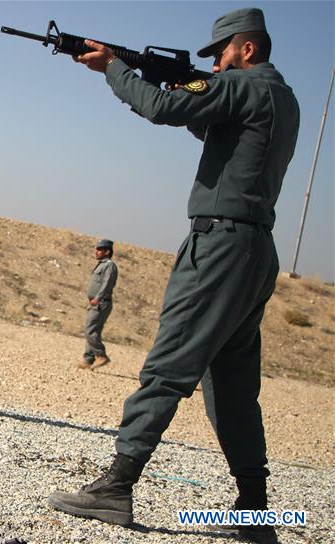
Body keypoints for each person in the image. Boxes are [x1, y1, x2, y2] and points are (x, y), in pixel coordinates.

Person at [46, 9, 300, 544]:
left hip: (219, 244)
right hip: (256, 249)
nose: (218, 65)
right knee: (232, 386)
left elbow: (161, 108)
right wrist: (172, 84)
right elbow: (209, 123)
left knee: (168, 364)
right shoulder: (282, 97)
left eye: (223, 54)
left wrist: (115, 69)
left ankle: (117, 486)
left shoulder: (240, 85)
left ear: (247, 49)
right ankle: (255, 513)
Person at [80, 239, 117, 370]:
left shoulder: (109, 266)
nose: (96, 252)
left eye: (100, 249)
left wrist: (98, 298)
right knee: (94, 331)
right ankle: (88, 359)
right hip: (96, 303)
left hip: (101, 303)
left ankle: (101, 355)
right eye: (96, 249)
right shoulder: (102, 265)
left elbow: (107, 284)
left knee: (89, 331)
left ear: (107, 252)